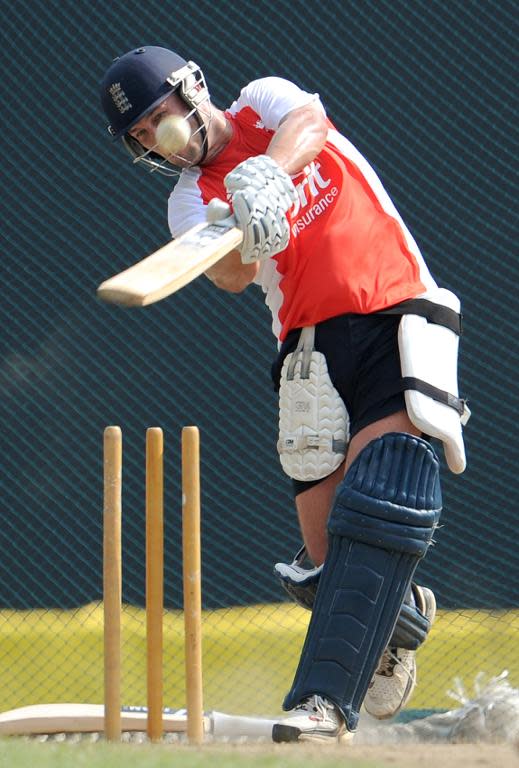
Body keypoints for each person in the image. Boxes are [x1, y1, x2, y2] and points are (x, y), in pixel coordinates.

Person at [100, 46, 470, 743]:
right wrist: (242, 221)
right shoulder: (188, 201)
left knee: (378, 496)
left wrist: (269, 172)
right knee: (328, 558)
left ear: (191, 88)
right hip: (308, 348)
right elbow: (235, 275)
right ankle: (393, 613)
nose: (159, 139)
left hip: (393, 305)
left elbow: (309, 124)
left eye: (158, 117)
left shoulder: (260, 102)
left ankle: (321, 706)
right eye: (143, 137)